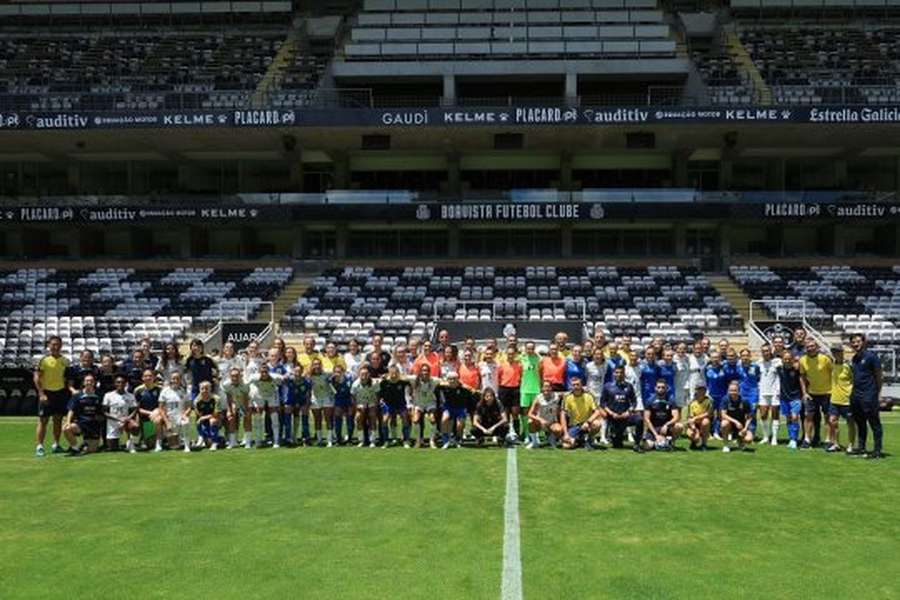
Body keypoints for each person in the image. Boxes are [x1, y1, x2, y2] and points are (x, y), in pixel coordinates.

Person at [34, 335, 71, 456]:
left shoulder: (65, 361)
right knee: (43, 421)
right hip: (47, 394)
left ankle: (56, 444)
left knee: (57, 420)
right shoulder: (43, 360)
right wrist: (41, 394)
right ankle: (39, 446)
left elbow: (67, 379)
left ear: (61, 346)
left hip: (60, 394)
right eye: (53, 344)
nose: (55, 347)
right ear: (49, 346)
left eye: (58, 344)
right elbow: (36, 378)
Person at [848, 333, 884, 459]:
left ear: (864, 342)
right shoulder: (854, 358)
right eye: (853, 342)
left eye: (858, 341)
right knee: (860, 423)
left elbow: (879, 376)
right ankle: (861, 448)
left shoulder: (871, 357)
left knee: (874, 423)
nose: (856, 344)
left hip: (869, 395)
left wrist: (878, 394)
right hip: (856, 395)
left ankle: (877, 450)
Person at [601, 365, 643, 452]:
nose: (619, 374)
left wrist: (629, 412)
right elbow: (602, 403)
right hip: (613, 418)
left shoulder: (629, 386)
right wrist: (611, 413)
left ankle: (637, 444)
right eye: (617, 372)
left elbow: (634, 402)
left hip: (625, 416)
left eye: (621, 373)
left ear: (624, 374)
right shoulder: (607, 386)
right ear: (613, 374)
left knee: (639, 419)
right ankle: (615, 435)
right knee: (617, 445)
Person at [799, 339, 832, 449]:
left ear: (817, 347)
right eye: (808, 346)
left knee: (827, 417)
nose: (810, 348)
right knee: (808, 417)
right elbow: (802, 377)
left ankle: (828, 440)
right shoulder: (803, 360)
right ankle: (807, 439)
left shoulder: (825, 359)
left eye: (812, 346)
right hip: (812, 393)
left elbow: (833, 374)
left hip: (827, 393)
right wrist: (804, 393)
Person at [62, 373, 103, 455]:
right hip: (81, 424)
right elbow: (71, 410)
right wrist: (68, 422)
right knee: (66, 428)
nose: (89, 383)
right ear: (84, 383)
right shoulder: (77, 395)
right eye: (87, 381)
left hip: (93, 426)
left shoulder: (99, 395)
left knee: (92, 451)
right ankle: (75, 448)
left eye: (91, 381)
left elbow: (102, 411)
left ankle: (84, 443)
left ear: (94, 383)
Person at [560, 377, 602, 450]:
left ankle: (589, 441)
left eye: (577, 384)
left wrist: (588, 422)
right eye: (573, 385)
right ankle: (579, 440)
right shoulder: (567, 397)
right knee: (566, 446)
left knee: (597, 424)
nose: (576, 387)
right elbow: (563, 415)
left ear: (581, 385)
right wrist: (566, 433)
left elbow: (597, 411)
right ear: (571, 386)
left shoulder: (589, 395)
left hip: (587, 424)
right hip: (574, 425)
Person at [828, 345, 856, 454]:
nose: (836, 353)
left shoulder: (849, 365)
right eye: (834, 352)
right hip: (834, 399)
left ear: (842, 352)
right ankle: (835, 444)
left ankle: (851, 445)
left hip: (847, 400)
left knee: (850, 423)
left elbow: (855, 380)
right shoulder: (832, 364)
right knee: (832, 421)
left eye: (838, 351)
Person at [438, 372, 476, 449]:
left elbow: (472, 393)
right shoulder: (443, 386)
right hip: (448, 407)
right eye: (450, 379)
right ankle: (445, 440)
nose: (452, 381)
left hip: (460, 408)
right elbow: (438, 383)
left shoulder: (464, 388)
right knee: (444, 419)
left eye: (454, 379)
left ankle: (457, 440)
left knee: (459, 425)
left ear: (458, 379)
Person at [102, 374, 139, 452]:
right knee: (113, 448)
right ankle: (125, 442)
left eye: (122, 382)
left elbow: (135, 409)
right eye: (118, 382)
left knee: (135, 426)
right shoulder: (108, 395)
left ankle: (130, 441)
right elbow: (104, 412)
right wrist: (118, 419)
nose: (120, 384)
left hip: (125, 422)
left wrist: (128, 418)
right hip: (113, 423)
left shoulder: (130, 396)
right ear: (115, 383)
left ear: (126, 383)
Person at [642, 380, 683, 451]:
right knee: (647, 447)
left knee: (679, 426)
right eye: (658, 387)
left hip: (665, 428)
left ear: (666, 388)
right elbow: (647, 419)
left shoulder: (671, 401)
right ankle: (660, 442)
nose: (660, 389)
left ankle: (670, 442)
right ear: (655, 388)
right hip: (654, 428)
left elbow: (676, 417)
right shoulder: (649, 401)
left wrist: (667, 425)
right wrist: (656, 435)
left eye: (663, 387)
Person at [378, 364, 411, 447]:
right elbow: (379, 392)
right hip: (389, 404)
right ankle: (386, 441)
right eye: (391, 373)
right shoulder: (384, 382)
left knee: (405, 418)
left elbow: (412, 382)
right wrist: (381, 400)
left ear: (398, 373)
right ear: (388, 373)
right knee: (385, 420)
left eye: (396, 373)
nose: (394, 375)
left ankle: (406, 440)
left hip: (401, 404)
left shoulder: (403, 382)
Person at [134, 368, 165, 452]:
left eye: (150, 376)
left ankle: (159, 443)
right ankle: (142, 439)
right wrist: (150, 413)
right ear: (142, 378)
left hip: (157, 416)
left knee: (158, 419)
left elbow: (163, 405)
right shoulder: (138, 390)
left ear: (154, 377)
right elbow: (137, 408)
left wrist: (157, 411)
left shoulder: (159, 389)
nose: (148, 378)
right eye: (145, 376)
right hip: (144, 418)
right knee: (149, 445)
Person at [777, 351, 804, 450]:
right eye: (785, 359)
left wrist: (804, 394)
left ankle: (794, 439)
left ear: (792, 359)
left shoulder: (796, 369)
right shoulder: (779, 369)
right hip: (784, 398)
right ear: (782, 360)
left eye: (789, 359)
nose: (787, 360)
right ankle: (791, 438)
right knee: (788, 418)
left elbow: (802, 381)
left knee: (795, 417)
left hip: (795, 397)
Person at [160, 372, 192, 452]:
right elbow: (161, 408)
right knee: (174, 447)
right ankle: (160, 443)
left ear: (180, 380)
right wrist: (167, 422)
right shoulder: (164, 391)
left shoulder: (184, 391)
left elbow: (189, 407)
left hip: (180, 417)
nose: (175, 380)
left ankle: (187, 446)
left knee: (186, 422)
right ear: (170, 379)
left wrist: (184, 415)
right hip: (169, 418)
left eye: (177, 378)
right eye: (173, 378)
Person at [409, 363, 439, 449]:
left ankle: (432, 441)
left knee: (432, 419)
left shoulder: (434, 380)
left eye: (427, 371)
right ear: (420, 371)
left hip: (430, 403)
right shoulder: (414, 379)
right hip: (419, 403)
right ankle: (418, 441)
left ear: (429, 372)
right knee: (415, 420)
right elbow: (401, 377)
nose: (425, 372)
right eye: (423, 370)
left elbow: (445, 381)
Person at [756, 343, 781, 446]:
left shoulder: (777, 362)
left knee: (775, 415)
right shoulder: (759, 363)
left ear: (771, 351)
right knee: (763, 415)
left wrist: (779, 390)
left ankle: (774, 438)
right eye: (763, 351)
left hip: (775, 392)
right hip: (763, 392)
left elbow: (781, 376)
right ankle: (766, 437)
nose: (765, 353)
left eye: (767, 350)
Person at [525, 381, 563, 449]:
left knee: (559, 429)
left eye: (548, 386)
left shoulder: (556, 396)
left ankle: (551, 439)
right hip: (540, 423)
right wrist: (540, 420)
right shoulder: (538, 398)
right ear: (542, 388)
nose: (546, 388)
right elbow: (529, 413)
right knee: (530, 422)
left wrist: (584, 389)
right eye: (544, 386)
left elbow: (567, 393)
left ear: (551, 388)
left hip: (552, 422)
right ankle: (534, 442)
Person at [220, 367, 251, 449]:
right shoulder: (226, 384)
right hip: (234, 401)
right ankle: (233, 442)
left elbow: (246, 398)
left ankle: (247, 441)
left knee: (247, 418)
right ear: (230, 376)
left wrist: (246, 411)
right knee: (231, 418)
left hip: (246, 401)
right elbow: (229, 397)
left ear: (240, 376)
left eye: (237, 376)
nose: (235, 378)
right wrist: (229, 411)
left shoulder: (245, 384)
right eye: (232, 376)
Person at [351, 365, 381, 447]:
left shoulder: (375, 383)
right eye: (362, 374)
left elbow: (378, 396)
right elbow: (353, 398)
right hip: (360, 404)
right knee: (358, 417)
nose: (364, 376)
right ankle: (361, 440)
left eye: (366, 374)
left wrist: (375, 406)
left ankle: (373, 440)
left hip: (372, 403)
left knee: (372, 416)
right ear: (359, 375)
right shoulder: (355, 384)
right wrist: (357, 407)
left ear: (369, 374)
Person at [249, 366, 279, 448]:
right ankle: (258, 441)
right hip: (259, 395)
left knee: (274, 417)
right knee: (257, 417)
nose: (264, 373)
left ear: (269, 372)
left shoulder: (276, 377)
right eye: (262, 372)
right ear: (259, 372)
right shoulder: (253, 378)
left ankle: (276, 441)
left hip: (272, 395)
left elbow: (283, 380)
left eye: (266, 372)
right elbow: (247, 385)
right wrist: (251, 403)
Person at [308, 358, 335, 447]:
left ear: (321, 365)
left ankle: (329, 440)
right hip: (315, 398)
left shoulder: (326, 374)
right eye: (315, 364)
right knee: (317, 419)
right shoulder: (309, 376)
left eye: (318, 364)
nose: (317, 366)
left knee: (328, 419)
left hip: (327, 397)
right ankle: (319, 439)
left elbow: (334, 377)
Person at [720, 381, 754, 452]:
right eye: (731, 390)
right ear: (728, 391)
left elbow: (750, 416)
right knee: (724, 423)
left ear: (739, 391)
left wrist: (745, 428)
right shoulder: (725, 399)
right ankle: (726, 445)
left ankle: (740, 441)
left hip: (742, 425)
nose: (733, 392)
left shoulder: (744, 401)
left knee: (749, 439)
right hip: (731, 424)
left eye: (735, 390)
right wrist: (735, 422)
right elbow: (723, 414)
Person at [517, 341, 542, 437]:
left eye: (532, 348)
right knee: (525, 412)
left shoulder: (538, 359)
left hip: (536, 389)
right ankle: (526, 433)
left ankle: (537, 434)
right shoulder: (521, 358)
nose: (530, 350)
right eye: (528, 348)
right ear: (525, 348)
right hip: (524, 389)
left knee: (536, 412)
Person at [497, 347, 523, 439]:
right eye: (509, 354)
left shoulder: (519, 365)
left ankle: (517, 433)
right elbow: (499, 378)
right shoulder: (501, 365)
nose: (510, 355)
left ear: (515, 355)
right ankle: (506, 433)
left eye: (512, 354)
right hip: (504, 389)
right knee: (505, 412)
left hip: (515, 389)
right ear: (506, 354)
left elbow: (521, 376)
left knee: (515, 412)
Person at [192, 381, 222, 450]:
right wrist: (202, 418)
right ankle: (202, 437)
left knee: (212, 421)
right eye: (202, 389)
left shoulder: (216, 399)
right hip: (204, 420)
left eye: (206, 388)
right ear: (199, 390)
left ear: (210, 389)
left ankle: (214, 442)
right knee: (198, 421)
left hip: (216, 419)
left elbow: (216, 414)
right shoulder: (196, 401)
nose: (204, 391)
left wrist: (203, 418)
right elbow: (198, 415)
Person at [738, 348, 761, 435]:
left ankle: (751, 432)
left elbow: (758, 379)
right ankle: (740, 432)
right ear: (740, 357)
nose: (745, 357)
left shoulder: (755, 367)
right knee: (741, 413)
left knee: (752, 413)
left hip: (753, 394)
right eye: (743, 356)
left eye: (747, 355)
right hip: (741, 393)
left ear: (750, 356)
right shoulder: (738, 367)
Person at [705, 351, 727, 439]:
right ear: (710, 358)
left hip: (722, 395)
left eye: (717, 357)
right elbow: (706, 381)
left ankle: (716, 432)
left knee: (720, 414)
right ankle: (709, 433)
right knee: (709, 414)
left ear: (720, 358)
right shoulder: (707, 368)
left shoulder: (724, 368)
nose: (715, 359)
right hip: (711, 395)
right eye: (713, 357)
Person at [331, 364, 355, 445]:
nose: (338, 373)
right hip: (338, 400)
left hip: (348, 400)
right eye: (336, 372)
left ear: (343, 372)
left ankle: (350, 439)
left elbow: (352, 390)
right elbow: (333, 392)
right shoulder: (332, 381)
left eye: (339, 372)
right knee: (338, 418)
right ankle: (338, 439)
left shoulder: (349, 379)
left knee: (349, 419)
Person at [686, 384, 713, 450]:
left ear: (705, 391)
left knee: (705, 422)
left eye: (703, 389)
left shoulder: (709, 401)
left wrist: (696, 418)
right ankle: (694, 442)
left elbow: (708, 413)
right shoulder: (692, 402)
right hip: (695, 424)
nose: (701, 391)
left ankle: (704, 444)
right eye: (699, 389)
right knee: (691, 434)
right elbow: (690, 417)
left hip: (704, 424)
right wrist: (694, 429)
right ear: (696, 391)